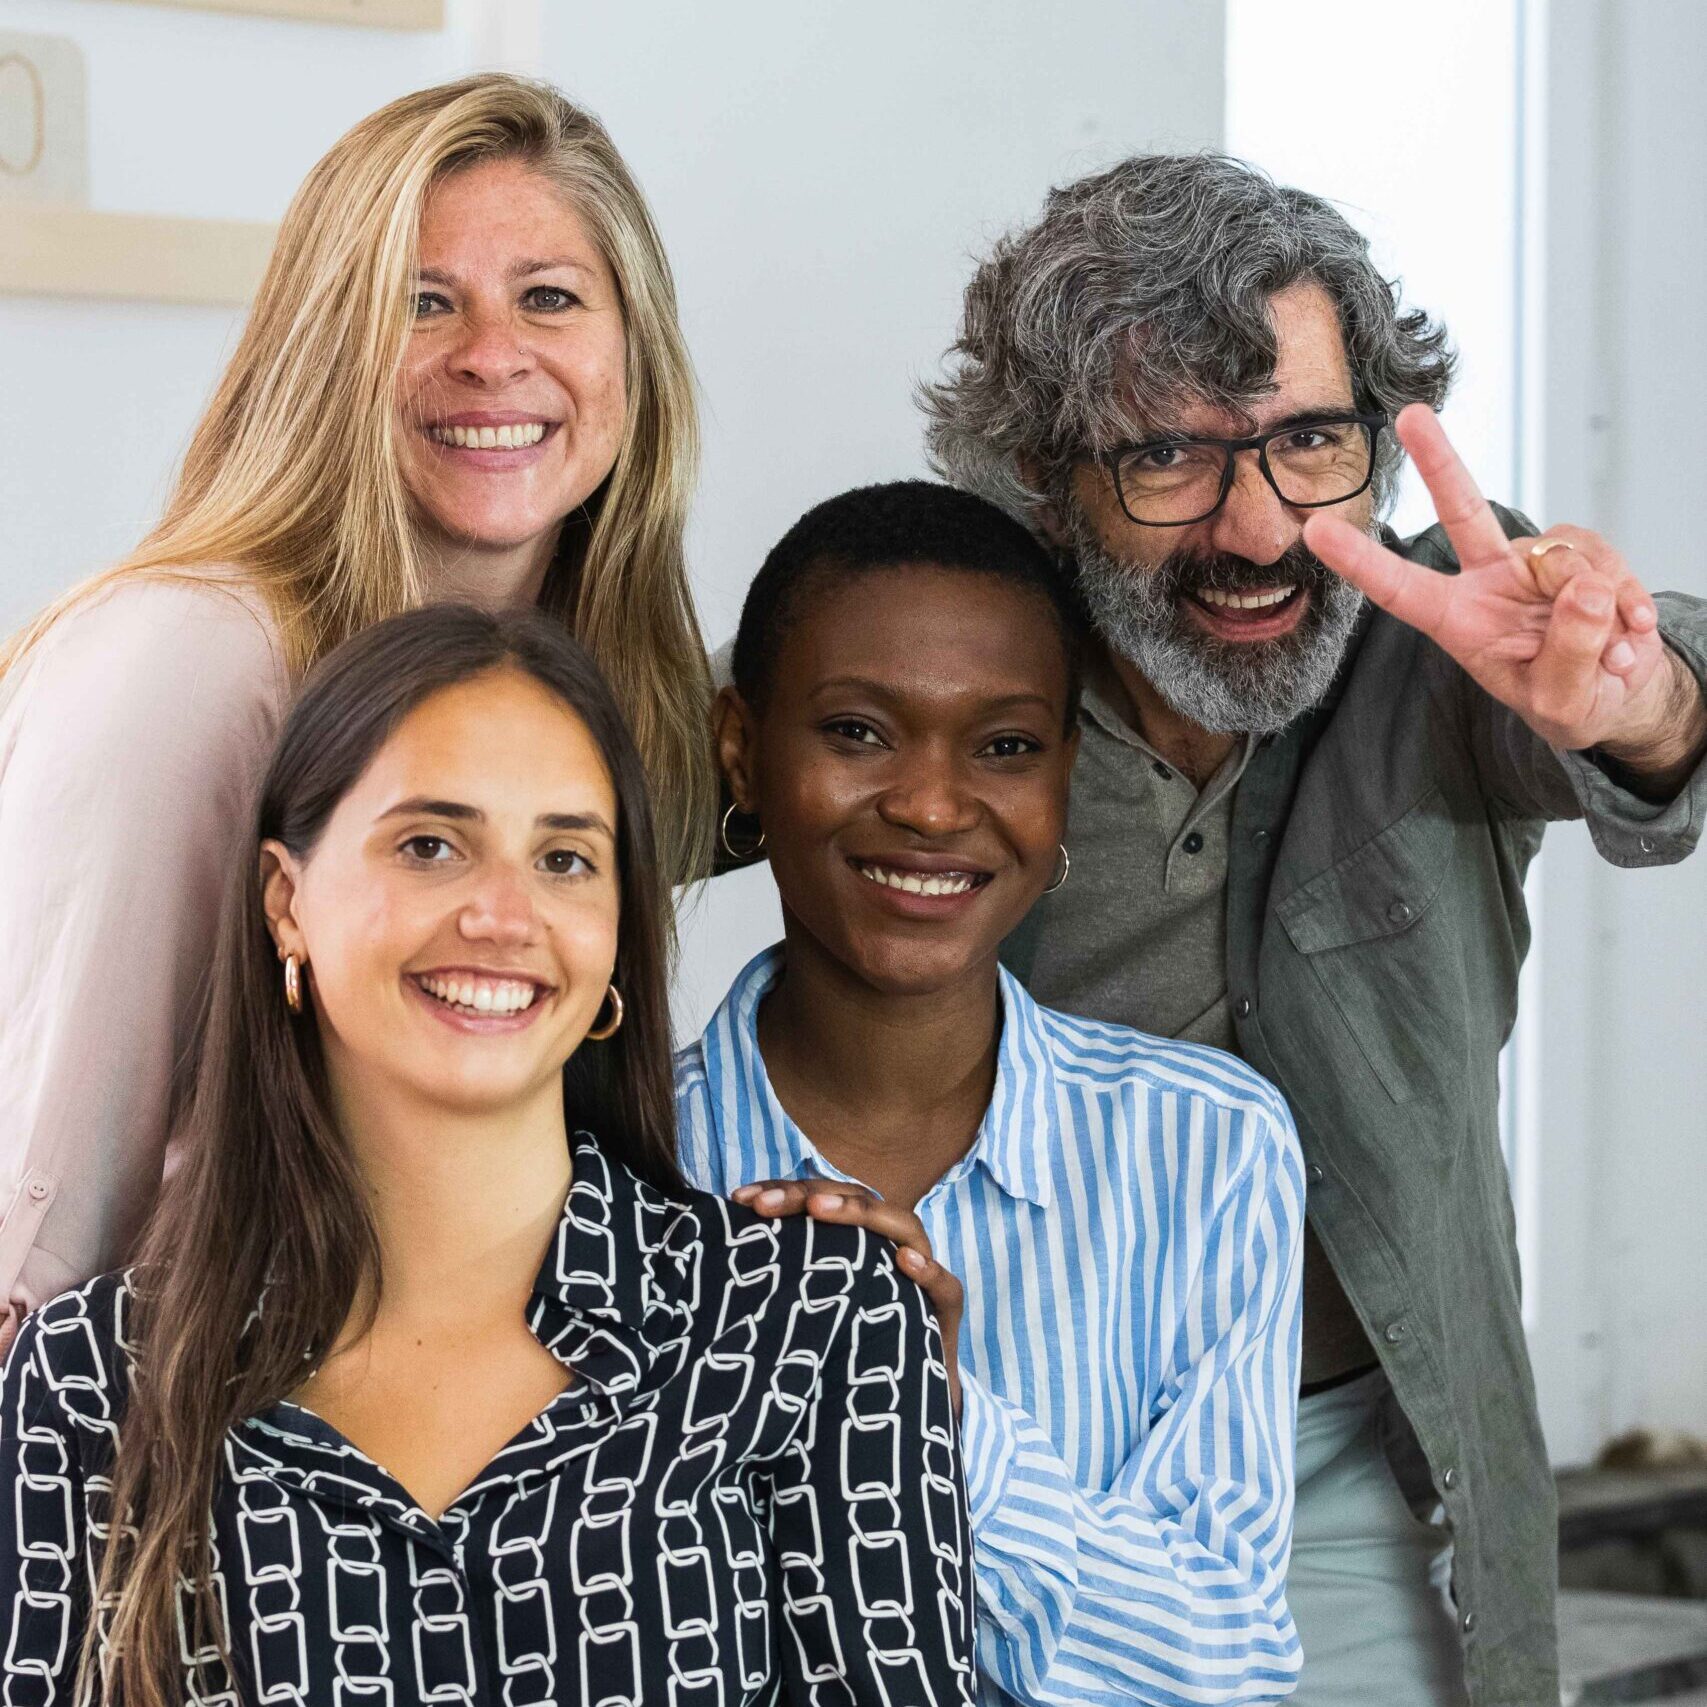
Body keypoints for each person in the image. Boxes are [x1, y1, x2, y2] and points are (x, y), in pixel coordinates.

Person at [917, 155, 1707, 1706]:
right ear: (1040, 475)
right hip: (1009, 1482)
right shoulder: (934, 670)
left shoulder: (1452, 641)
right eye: (1165, 458)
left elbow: (1654, 690)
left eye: (1307, 443)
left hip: (1365, 1472)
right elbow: (629, 773)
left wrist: (1641, 702)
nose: (1260, 529)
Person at [0, 604, 974, 1707]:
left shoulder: (813, 1318)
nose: (505, 915)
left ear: (616, 930)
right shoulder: (95, 1380)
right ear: (287, 903)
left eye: (565, 858)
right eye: (430, 845)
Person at [0, 74, 715, 1357]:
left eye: (548, 297)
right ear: (325, 343)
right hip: (174, 1447)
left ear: (633, 347)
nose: (492, 354)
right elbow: (43, 1211)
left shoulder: (612, 685)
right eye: (421, 301)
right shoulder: (191, 659)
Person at [678, 481, 1308, 1707]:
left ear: (1065, 775)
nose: (929, 804)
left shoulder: (1205, 1149)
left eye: (1006, 746)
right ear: (742, 750)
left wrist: (940, 1423)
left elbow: (1224, 1662)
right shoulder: (617, 1156)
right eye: (859, 731)